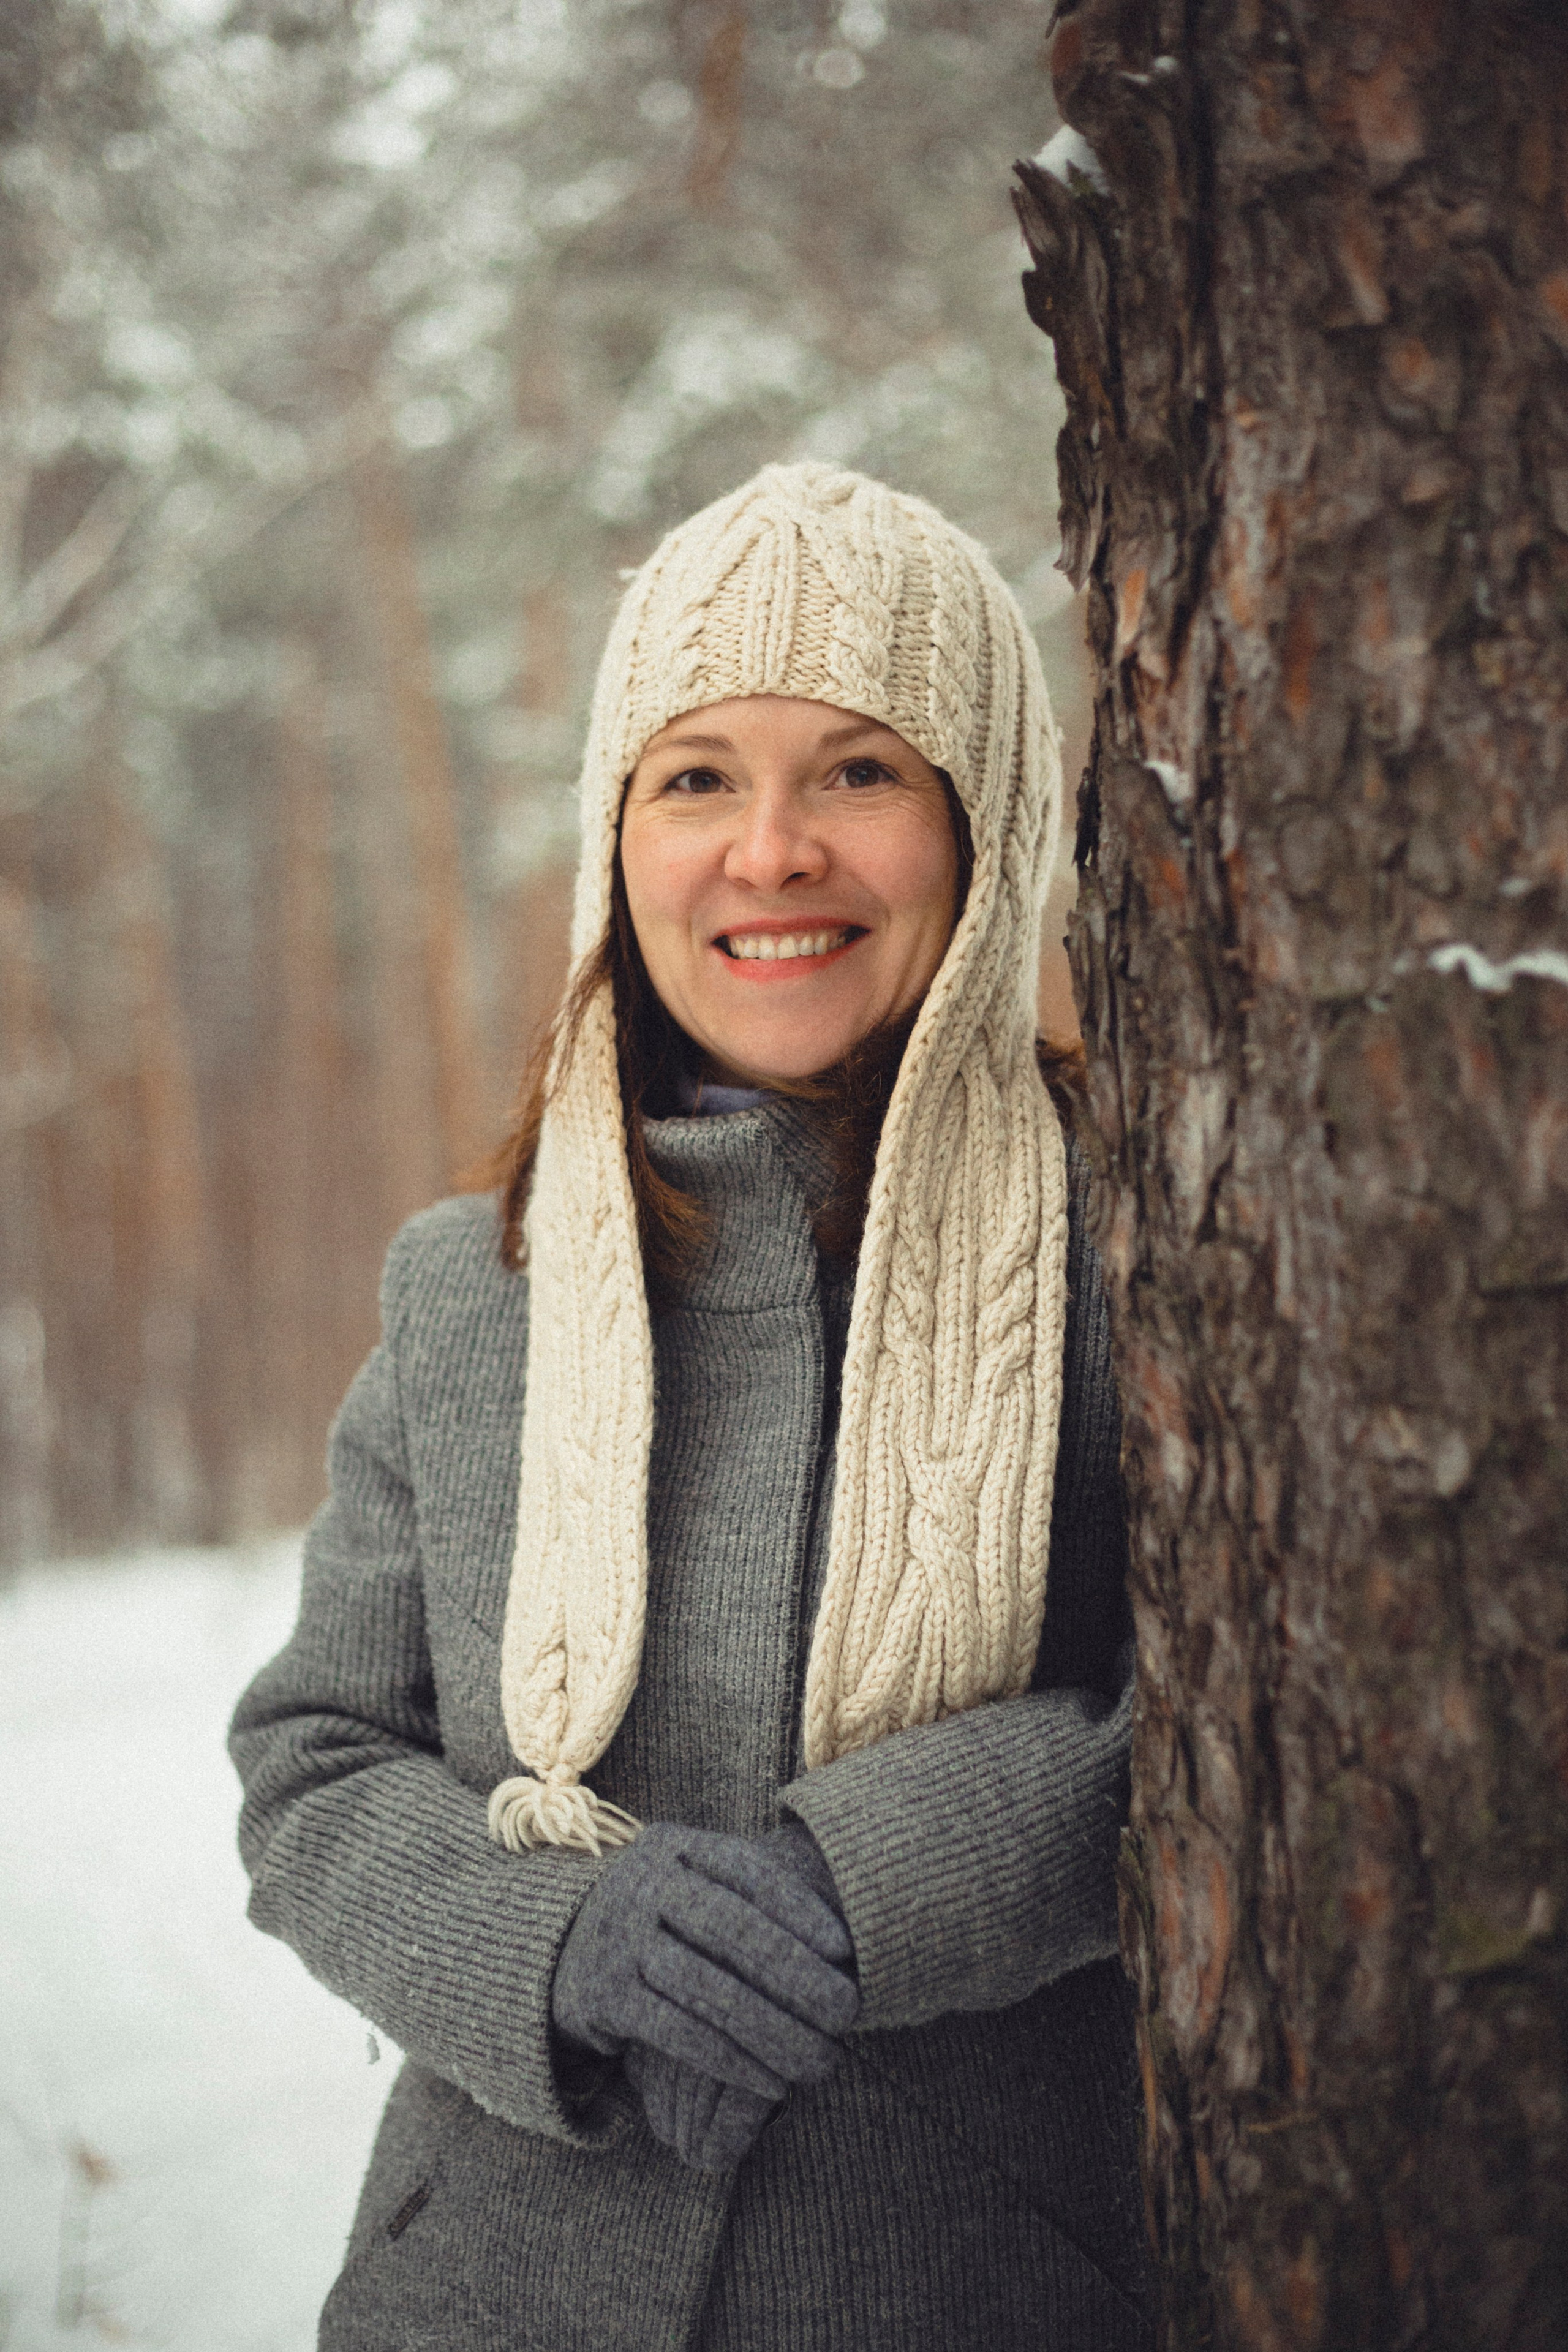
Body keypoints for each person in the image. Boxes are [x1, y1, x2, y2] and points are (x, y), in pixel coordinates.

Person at [230, 461, 1156, 2351]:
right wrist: (556, 1944)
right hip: (482, 2284)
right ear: (618, 839)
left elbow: (1230, 1719)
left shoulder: (1139, 1243)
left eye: (861, 772)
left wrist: (856, 1883)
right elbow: (318, 1763)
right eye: (699, 776)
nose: (773, 850)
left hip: (974, 2276)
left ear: (984, 828)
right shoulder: (467, 1285)